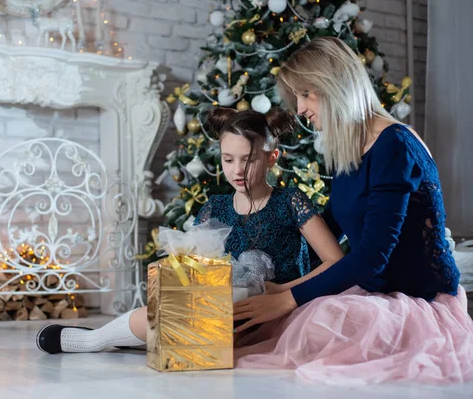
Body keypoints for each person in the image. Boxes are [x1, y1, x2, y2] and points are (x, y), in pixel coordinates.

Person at [233, 36, 473, 384]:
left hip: (415, 303)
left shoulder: (396, 145)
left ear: (333, 85)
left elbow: (371, 256)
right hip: (375, 293)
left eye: (305, 94)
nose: (299, 110)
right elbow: (328, 236)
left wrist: (288, 299)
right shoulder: (351, 152)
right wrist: (279, 286)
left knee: (314, 327)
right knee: (280, 327)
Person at [35, 107, 343, 355]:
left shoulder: (290, 201)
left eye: (248, 161)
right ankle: (96, 341)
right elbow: (195, 268)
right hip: (223, 307)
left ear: (271, 158)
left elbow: (335, 261)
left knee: (199, 330)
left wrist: (288, 292)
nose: (237, 170)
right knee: (177, 311)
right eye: (228, 160)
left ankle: (118, 337)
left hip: (276, 312)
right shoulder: (215, 207)